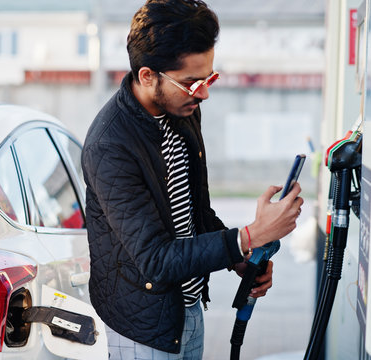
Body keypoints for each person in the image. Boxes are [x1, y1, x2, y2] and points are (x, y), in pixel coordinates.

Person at [81, 0, 304, 359]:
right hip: (143, 329)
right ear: (147, 76)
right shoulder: (110, 146)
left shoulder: (181, 112)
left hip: (189, 309)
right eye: (191, 82)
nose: (204, 93)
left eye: (209, 78)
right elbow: (155, 259)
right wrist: (249, 236)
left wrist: (239, 257)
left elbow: (195, 211)